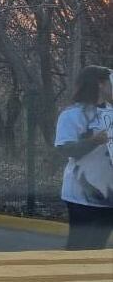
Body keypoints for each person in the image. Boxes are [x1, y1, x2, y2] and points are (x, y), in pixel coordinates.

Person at [54, 65, 113, 250]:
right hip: (82, 194)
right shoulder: (72, 115)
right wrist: (93, 141)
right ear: (101, 84)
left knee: (98, 248)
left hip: (109, 194)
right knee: (79, 248)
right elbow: (64, 149)